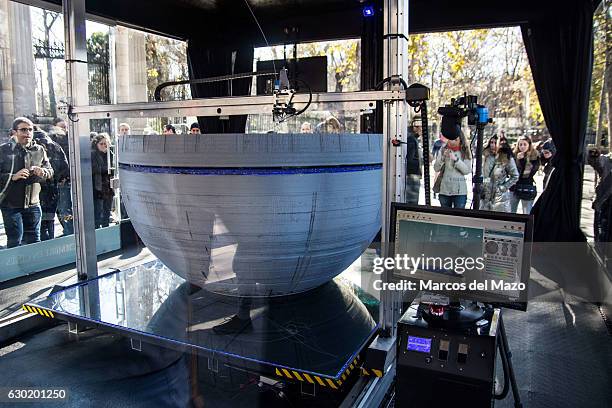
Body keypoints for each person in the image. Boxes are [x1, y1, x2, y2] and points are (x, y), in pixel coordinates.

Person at [0, 118, 53, 248]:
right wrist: (12, 176)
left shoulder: (39, 150)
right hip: (11, 205)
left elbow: (50, 171)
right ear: (14, 132)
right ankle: (16, 268)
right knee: (15, 241)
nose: (28, 133)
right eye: (23, 129)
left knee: (35, 240)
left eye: (30, 129)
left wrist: (43, 172)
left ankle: (35, 269)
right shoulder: (4, 150)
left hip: (33, 204)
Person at [33, 128, 69, 241]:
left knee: (41, 216)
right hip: (53, 185)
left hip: (39, 186)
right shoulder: (55, 146)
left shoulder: (34, 147)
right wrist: (60, 179)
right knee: (51, 215)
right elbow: (65, 165)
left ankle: (45, 240)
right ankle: (51, 238)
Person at [433, 131, 472, 209]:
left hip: (459, 191)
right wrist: (442, 158)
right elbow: (436, 168)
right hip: (445, 190)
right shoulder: (443, 149)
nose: (452, 142)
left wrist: (456, 160)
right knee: (445, 216)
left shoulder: (464, 151)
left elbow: (467, 170)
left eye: (455, 140)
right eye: (451, 139)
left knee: (459, 216)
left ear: (460, 140)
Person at [480, 135, 519, 212]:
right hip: (485, 196)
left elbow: (515, 176)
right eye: (491, 142)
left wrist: (503, 188)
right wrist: (482, 186)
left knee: (499, 222)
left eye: (495, 142)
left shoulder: (506, 157)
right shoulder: (485, 156)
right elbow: (483, 174)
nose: (492, 145)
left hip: (500, 198)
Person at [49, 120, 73, 236]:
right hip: (55, 180)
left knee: (65, 208)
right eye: (60, 127)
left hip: (66, 180)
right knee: (60, 209)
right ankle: (67, 229)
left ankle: (69, 231)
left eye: (65, 127)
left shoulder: (70, 141)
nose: (63, 130)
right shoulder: (53, 142)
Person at [510, 136, 539, 214]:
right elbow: (510, 171)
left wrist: (522, 160)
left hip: (527, 187)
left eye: (525, 144)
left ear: (529, 145)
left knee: (526, 214)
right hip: (514, 187)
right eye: (520, 144)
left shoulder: (534, 155)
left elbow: (530, 173)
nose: (522, 146)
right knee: (511, 212)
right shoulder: (514, 154)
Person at [91, 133, 114, 228]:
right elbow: (95, 169)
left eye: (106, 143)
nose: (104, 146)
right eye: (102, 144)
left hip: (108, 187)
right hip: (98, 188)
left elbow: (114, 169)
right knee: (97, 213)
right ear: (96, 144)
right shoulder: (93, 154)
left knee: (106, 213)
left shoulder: (110, 154)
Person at [403, 115, 423, 204]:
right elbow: (409, 159)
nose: (422, 129)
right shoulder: (411, 139)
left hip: (412, 175)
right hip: (412, 175)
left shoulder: (412, 138)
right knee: (412, 203)